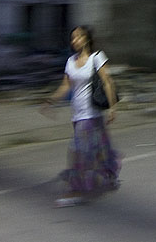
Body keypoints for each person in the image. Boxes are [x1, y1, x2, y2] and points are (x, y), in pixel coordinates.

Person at [43, 26, 120, 207]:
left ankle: (76, 191)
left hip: (91, 113)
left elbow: (107, 82)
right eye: (72, 38)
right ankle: (109, 174)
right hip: (77, 115)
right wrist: (51, 101)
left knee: (77, 151)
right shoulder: (70, 61)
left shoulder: (96, 57)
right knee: (100, 147)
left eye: (78, 37)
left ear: (86, 39)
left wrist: (113, 107)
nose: (74, 40)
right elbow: (66, 86)